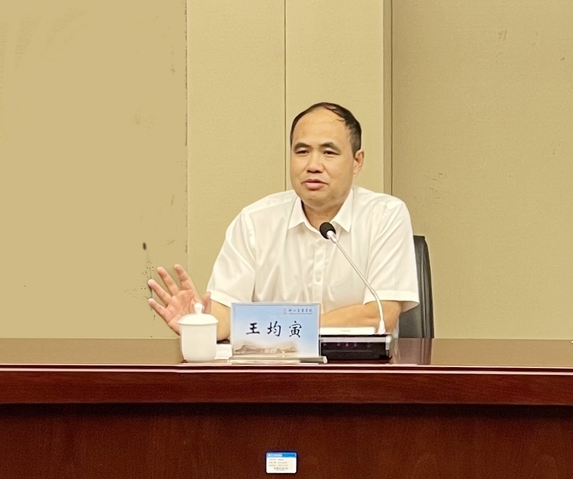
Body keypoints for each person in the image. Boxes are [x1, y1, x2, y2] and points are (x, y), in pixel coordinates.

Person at [148, 102, 419, 341]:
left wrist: (280, 327)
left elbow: (379, 316)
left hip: (360, 373)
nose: (313, 165)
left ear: (357, 161)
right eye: (302, 151)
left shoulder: (385, 216)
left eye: (328, 152)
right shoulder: (255, 222)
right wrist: (201, 322)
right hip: (274, 373)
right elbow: (226, 314)